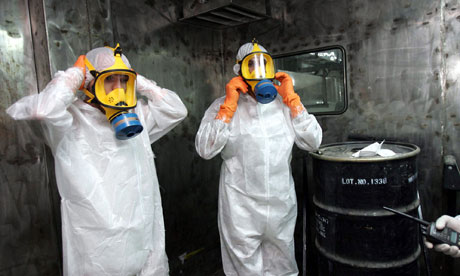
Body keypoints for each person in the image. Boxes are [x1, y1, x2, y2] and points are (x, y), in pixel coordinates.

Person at [6, 44, 187, 275]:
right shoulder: (69, 120)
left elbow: (176, 110)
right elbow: (43, 109)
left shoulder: (138, 116)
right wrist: (73, 76)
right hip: (97, 256)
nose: (119, 89)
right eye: (111, 80)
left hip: (145, 248)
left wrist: (137, 80)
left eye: (124, 82)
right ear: (90, 81)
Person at [195, 40, 322, 275]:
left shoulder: (284, 104)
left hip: (280, 205)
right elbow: (205, 149)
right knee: (244, 269)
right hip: (240, 207)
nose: (259, 71)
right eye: (251, 66)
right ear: (239, 72)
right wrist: (227, 110)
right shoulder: (222, 106)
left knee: (283, 267)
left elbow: (313, 142)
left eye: (264, 64)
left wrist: (294, 102)